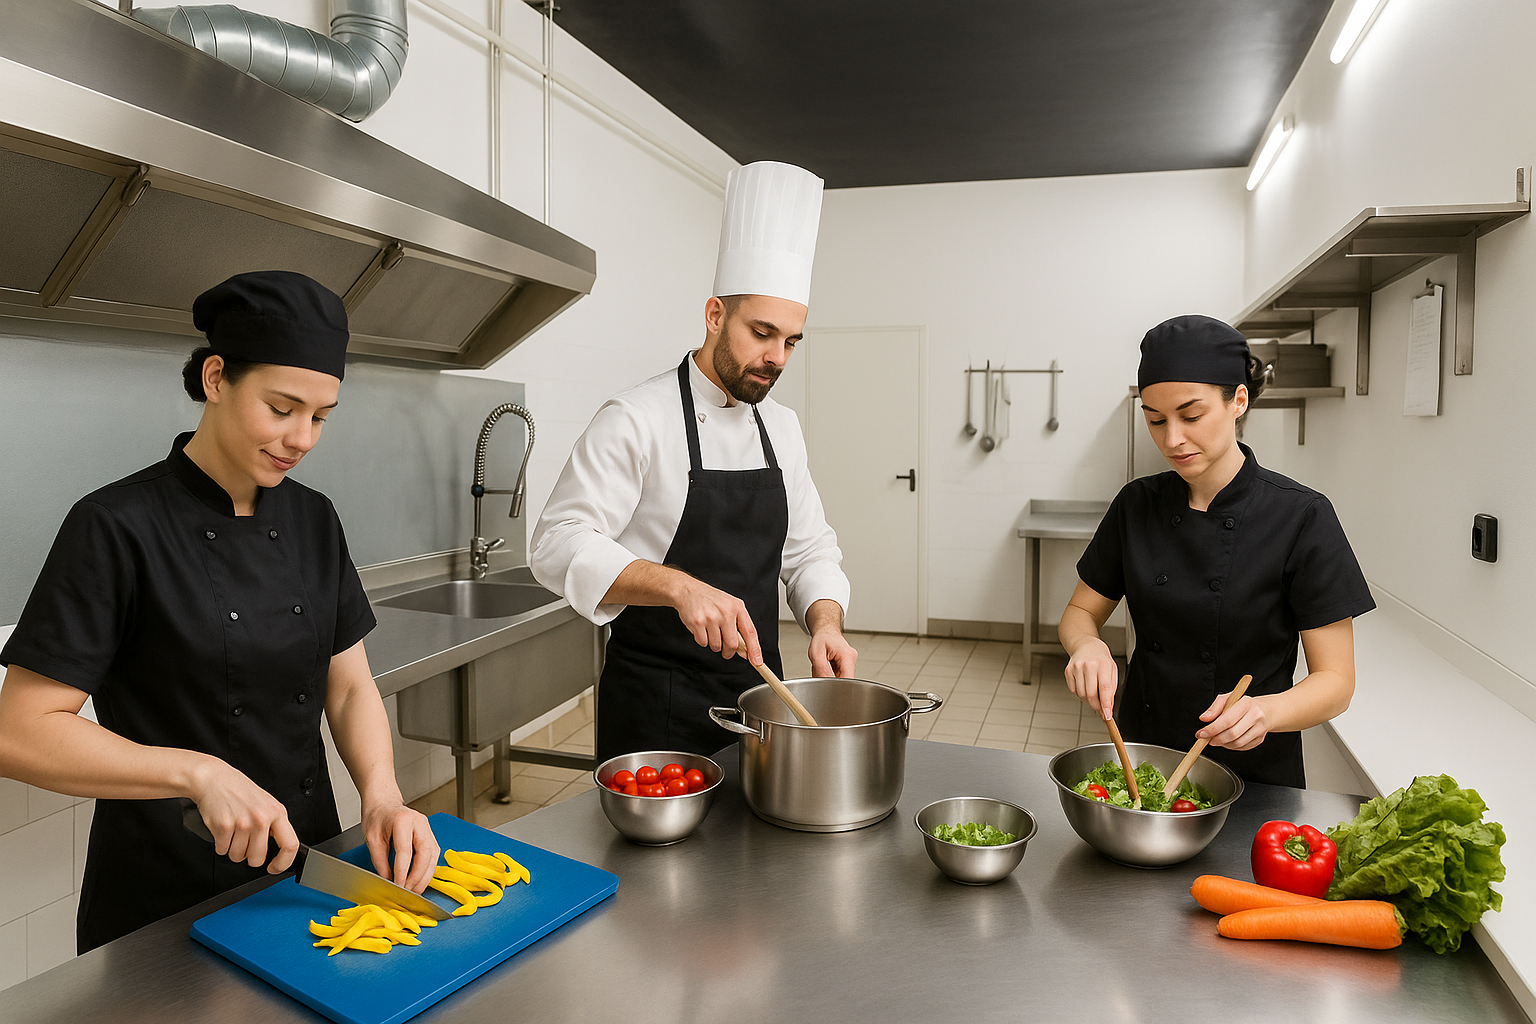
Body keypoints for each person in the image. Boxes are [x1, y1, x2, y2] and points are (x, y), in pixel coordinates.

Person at [0, 271, 438, 952]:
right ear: (215, 379)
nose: (302, 438)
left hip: (306, 880)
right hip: (164, 899)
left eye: (321, 417)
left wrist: (382, 794)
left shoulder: (315, 519)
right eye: (282, 408)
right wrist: (195, 772)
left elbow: (348, 685)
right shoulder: (115, 525)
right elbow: (19, 732)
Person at [531, 161, 857, 761]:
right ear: (714, 316)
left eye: (790, 341)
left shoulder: (781, 428)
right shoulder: (635, 418)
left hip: (762, 697)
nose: (777, 357)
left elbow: (810, 551)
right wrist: (675, 586)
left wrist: (826, 622)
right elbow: (556, 541)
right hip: (657, 708)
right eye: (762, 333)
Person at [1059, 315, 1375, 788]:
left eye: (1191, 416)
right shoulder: (1137, 504)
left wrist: (1266, 711)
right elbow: (1080, 610)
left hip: (1254, 776)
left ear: (1238, 402)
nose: (1172, 440)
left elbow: (1335, 681)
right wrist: (1087, 645)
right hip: (1143, 762)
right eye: (1155, 420)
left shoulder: (1301, 516)